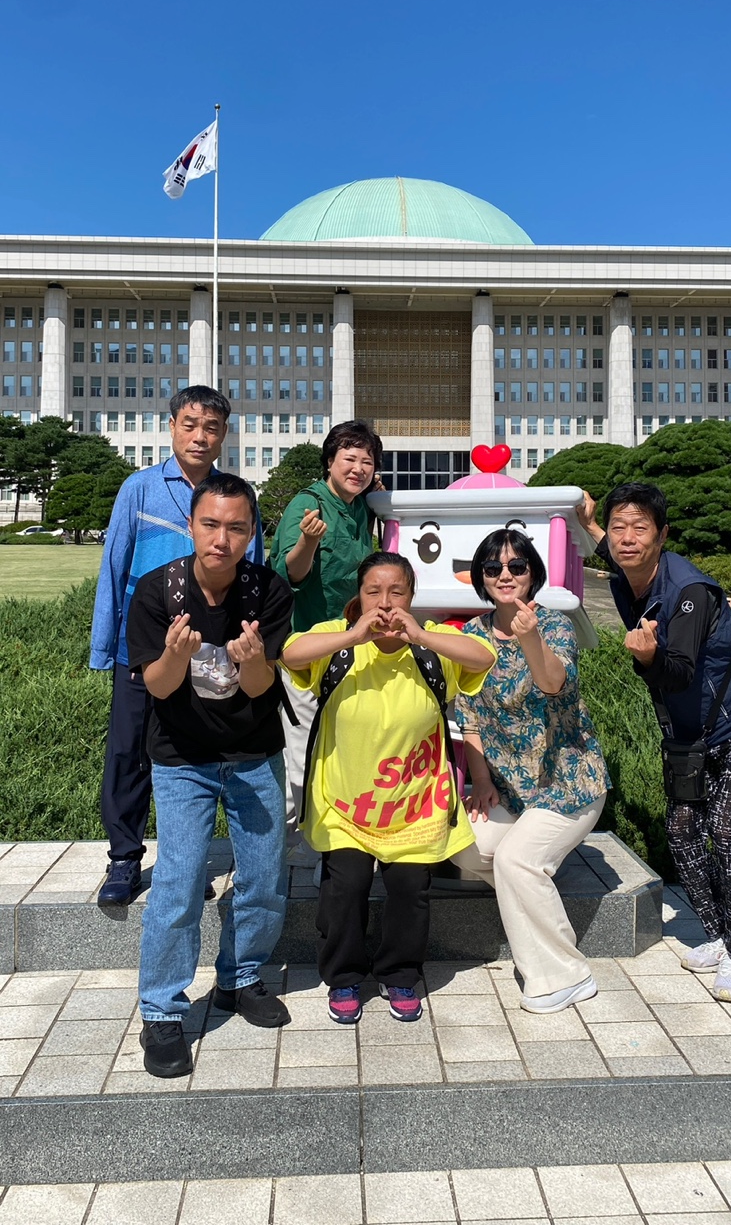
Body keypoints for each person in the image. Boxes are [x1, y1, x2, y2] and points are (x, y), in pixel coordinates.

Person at [577, 482, 731, 1004]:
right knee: (683, 830)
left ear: (663, 535)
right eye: (619, 528)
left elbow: (680, 672)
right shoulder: (630, 567)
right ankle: (716, 933)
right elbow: (613, 550)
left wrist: (646, 658)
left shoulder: (690, 593)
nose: (627, 538)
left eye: (640, 528)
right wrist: (589, 522)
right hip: (693, 735)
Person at [281, 551, 496, 1025]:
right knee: (346, 886)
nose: (384, 602)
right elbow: (289, 653)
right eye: (373, 591)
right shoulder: (337, 641)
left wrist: (421, 635)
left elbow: (484, 656)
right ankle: (343, 977)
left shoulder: (433, 645)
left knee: (409, 889)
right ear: (358, 596)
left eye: (396, 592)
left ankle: (399, 974)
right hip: (344, 803)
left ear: (411, 597)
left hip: (416, 803)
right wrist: (354, 635)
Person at [126, 474, 293, 1078]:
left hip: (253, 752)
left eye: (237, 528)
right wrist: (175, 653)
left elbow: (261, 686)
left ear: (252, 533)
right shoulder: (157, 591)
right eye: (211, 525)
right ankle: (162, 1011)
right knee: (178, 877)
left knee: (265, 874)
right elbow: (158, 685)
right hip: (182, 757)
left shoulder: (268, 591)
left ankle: (239, 978)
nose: (222, 539)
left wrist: (251, 663)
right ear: (191, 525)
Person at [90, 385, 264, 906]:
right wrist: (104, 647)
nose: (199, 436)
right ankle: (124, 859)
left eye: (211, 428)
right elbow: (114, 565)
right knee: (128, 752)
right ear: (171, 427)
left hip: (208, 655)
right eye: (190, 425)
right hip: (142, 650)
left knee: (191, 759)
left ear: (224, 435)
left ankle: (185, 860)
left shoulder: (234, 496)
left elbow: (252, 574)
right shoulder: (140, 488)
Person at [451, 529, 610, 1014]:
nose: (505, 575)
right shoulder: (472, 635)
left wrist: (530, 638)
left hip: (569, 783)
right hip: (509, 790)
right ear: (481, 577)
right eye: (493, 567)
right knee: (465, 847)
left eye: (516, 566)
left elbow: (554, 683)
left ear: (532, 573)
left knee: (515, 860)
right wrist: (480, 781)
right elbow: (469, 718)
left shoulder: (555, 624)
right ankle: (534, 888)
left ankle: (566, 975)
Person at [270, 419, 384, 850]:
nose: (359, 468)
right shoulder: (309, 503)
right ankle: (280, 852)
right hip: (308, 648)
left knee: (342, 746)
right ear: (330, 461)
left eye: (367, 461)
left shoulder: (363, 506)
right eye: (349, 459)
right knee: (301, 753)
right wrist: (308, 541)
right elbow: (289, 574)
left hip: (352, 644)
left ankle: (333, 842)